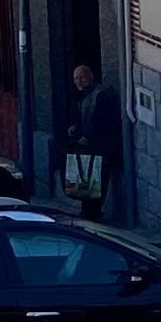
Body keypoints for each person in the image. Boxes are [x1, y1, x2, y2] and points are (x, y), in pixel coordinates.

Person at [61, 57, 125, 223]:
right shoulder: (85, 95)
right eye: (76, 78)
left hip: (101, 147)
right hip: (91, 147)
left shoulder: (100, 94)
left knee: (97, 180)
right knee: (87, 180)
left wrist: (86, 136)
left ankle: (93, 213)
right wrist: (76, 128)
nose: (78, 81)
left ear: (90, 76)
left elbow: (101, 120)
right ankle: (87, 212)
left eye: (81, 77)